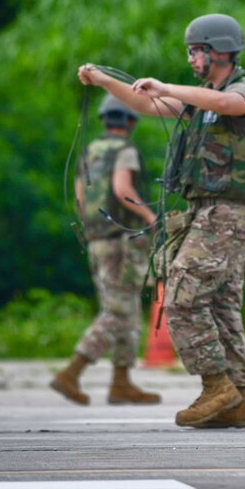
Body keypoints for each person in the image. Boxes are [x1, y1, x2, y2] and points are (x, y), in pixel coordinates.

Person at [78, 14, 245, 429]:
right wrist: (103, 80)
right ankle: (239, 401)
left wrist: (166, 88)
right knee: (220, 307)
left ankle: (216, 385)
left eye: (195, 51)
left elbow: (226, 105)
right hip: (207, 212)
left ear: (217, 51)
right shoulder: (200, 98)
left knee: (181, 293)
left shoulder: (243, 92)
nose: (190, 59)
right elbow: (147, 104)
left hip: (229, 213)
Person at [51, 94, 161, 406]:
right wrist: (150, 217)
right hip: (121, 241)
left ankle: (122, 382)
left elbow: (80, 198)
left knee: (124, 308)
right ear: (130, 120)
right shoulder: (124, 150)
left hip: (96, 239)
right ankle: (72, 372)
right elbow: (122, 189)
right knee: (118, 311)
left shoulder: (90, 151)